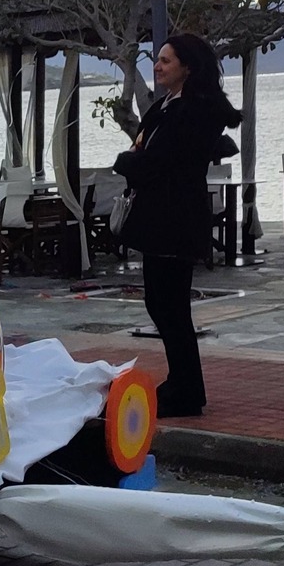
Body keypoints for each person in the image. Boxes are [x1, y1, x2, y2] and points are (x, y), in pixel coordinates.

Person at [114, 32, 241, 418]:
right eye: (158, 59)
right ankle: (182, 382)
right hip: (159, 215)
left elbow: (160, 160)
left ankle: (187, 390)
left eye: (166, 60)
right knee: (159, 302)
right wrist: (135, 159)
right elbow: (149, 150)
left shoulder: (194, 111)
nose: (157, 66)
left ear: (187, 67)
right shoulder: (166, 106)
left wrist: (126, 161)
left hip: (176, 217)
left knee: (171, 305)